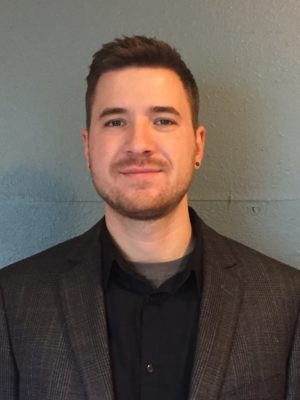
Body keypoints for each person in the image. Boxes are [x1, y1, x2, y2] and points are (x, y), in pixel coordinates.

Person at [0, 35, 299, 400]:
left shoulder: (287, 299)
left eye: (162, 120)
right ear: (87, 147)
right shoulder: (14, 299)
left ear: (198, 145)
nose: (139, 143)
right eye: (114, 122)